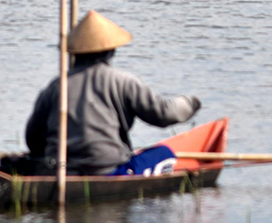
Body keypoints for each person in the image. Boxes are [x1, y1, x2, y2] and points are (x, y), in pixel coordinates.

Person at [25, 11, 202, 176]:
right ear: (110, 51)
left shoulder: (55, 86)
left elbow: (33, 139)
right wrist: (191, 102)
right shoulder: (123, 81)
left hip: (59, 171)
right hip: (107, 170)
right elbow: (163, 114)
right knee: (165, 153)